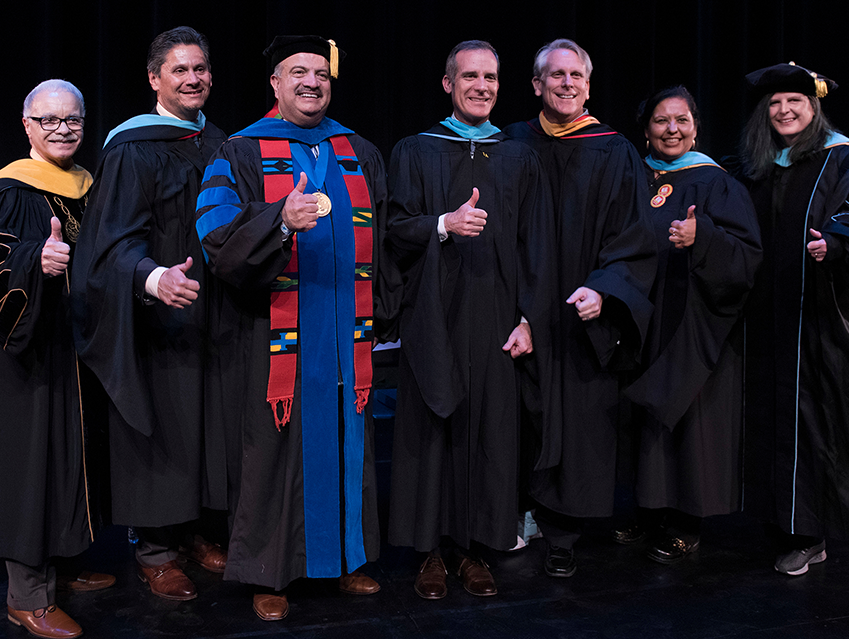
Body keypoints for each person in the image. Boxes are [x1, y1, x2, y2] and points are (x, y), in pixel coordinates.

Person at [195, 35, 395, 621]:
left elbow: (383, 238)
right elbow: (216, 239)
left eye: (321, 74)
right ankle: (270, 572)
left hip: (343, 333)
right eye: (298, 73)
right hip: (271, 335)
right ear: (275, 84)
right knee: (274, 451)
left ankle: (341, 563)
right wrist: (278, 222)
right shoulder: (239, 153)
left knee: (346, 443)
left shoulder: (358, 150)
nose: (312, 82)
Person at [740, 62, 849, 616]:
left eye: (795, 101)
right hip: (779, 332)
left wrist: (835, 248)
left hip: (836, 328)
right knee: (793, 438)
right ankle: (806, 536)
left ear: (815, 108)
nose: (784, 111)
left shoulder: (848, 160)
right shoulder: (761, 165)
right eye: (774, 103)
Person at [385, 40, 555, 599]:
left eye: (491, 78)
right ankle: (431, 551)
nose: (482, 86)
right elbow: (395, 228)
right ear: (448, 84)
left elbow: (539, 246)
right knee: (432, 429)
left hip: (496, 317)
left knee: (490, 431)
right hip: (434, 313)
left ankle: (474, 548)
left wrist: (530, 318)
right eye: (470, 77)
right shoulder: (414, 150)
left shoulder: (518, 156)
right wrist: (443, 224)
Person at [71, 26, 228, 602]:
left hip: (216, 313)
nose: (193, 79)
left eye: (201, 68)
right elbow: (107, 245)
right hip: (159, 318)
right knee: (164, 430)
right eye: (180, 70)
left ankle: (194, 533)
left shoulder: (219, 140)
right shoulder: (132, 146)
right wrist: (153, 277)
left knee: (209, 426)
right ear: (154, 78)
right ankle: (156, 550)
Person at [503, 38, 656, 578]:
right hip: (520, 310)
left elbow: (634, 236)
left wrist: (606, 289)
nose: (567, 83)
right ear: (537, 85)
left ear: (588, 86)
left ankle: (564, 532)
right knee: (519, 416)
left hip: (582, 313)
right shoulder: (513, 143)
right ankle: (515, 514)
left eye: (576, 76)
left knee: (580, 420)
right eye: (555, 75)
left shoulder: (614, 150)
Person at [0, 79, 114, 639]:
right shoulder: (9, 189)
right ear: (27, 126)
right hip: (25, 353)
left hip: (75, 349)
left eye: (72, 119)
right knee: (31, 465)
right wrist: (36, 261)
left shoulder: (88, 184)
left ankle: (66, 562)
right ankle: (26, 596)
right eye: (49, 120)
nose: (62, 130)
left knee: (73, 455)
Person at [621, 86, 761, 564]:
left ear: (696, 127)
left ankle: (687, 520)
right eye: (661, 121)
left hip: (696, 322)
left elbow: (746, 258)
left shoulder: (717, 184)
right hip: (643, 317)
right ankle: (647, 510)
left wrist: (705, 239)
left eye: (681, 120)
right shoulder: (631, 177)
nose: (672, 129)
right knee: (642, 421)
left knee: (689, 423)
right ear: (646, 130)